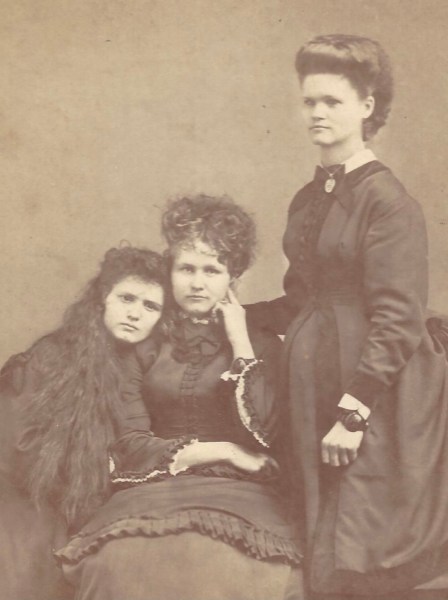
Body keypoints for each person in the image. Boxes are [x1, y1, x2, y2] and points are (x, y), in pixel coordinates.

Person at [245, 34, 448, 599]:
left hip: (372, 392)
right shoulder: (307, 198)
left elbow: (399, 318)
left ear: (367, 106)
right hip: (315, 382)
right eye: (310, 101)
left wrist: (353, 413)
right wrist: (229, 314)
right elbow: (297, 300)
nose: (317, 112)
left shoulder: (388, 202)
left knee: (357, 552)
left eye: (332, 101)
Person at [57, 195, 303, 600]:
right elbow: (129, 442)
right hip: (153, 486)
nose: (197, 283)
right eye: (187, 268)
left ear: (233, 277)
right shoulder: (144, 343)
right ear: (170, 270)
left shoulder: (260, 344)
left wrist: (241, 342)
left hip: (243, 492)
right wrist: (225, 450)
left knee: (247, 568)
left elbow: (266, 435)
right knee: (118, 562)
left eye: (212, 270)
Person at [0, 246, 166, 600]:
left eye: (150, 306)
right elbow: (18, 447)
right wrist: (97, 474)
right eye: (127, 298)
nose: (135, 313)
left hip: (98, 503)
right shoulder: (52, 355)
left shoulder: (148, 368)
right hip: (33, 497)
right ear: (103, 297)